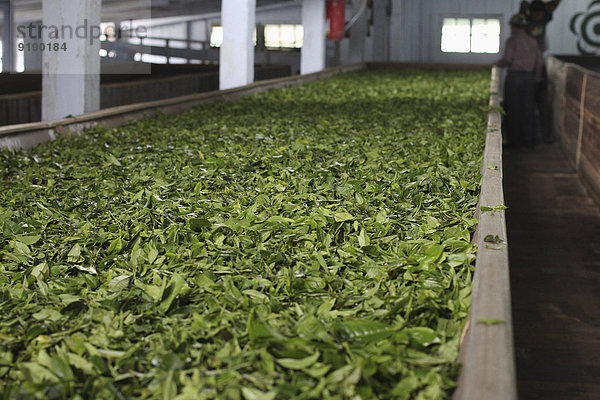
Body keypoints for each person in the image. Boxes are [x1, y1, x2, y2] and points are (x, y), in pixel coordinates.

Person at [496, 14, 544, 148]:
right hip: (529, 78)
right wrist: (537, 78)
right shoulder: (533, 41)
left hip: (515, 78)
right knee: (528, 108)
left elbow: (508, 60)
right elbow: (539, 62)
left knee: (512, 109)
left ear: (513, 27)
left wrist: (497, 64)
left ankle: (514, 141)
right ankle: (529, 140)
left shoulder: (512, 41)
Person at [520, 0, 562, 143]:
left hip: (539, 65)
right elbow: (522, 7)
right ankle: (530, 135)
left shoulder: (543, 21)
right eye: (535, 13)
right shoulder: (525, 22)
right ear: (531, 13)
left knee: (543, 102)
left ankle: (546, 135)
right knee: (527, 102)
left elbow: (553, 5)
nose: (538, 16)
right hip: (527, 65)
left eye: (540, 13)